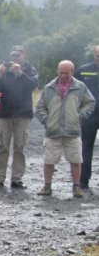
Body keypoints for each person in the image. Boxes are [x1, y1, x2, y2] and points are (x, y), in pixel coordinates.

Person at [34, 60, 95, 197]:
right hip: (53, 131)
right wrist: (47, 120)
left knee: (76, 160)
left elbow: (90, 103)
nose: (63, 75)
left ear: (72, 72)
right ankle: (47, 186)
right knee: (49, 160)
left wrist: (79, 117)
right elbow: (39, 108)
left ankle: (76, 187)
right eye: (61, 72)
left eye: (66, 73)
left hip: (72, 131)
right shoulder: (49, 88)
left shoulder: (80, 87)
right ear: (57, 71)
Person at [0, 47, 38, 189]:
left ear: (23, 55)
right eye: (12, 55)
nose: (15, 58)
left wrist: (20, 73)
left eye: (18, 55)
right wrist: (0, 74)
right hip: (5, 114)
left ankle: (17, 178)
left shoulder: (30, 69)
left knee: (20, 146)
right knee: (2, 146)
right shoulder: (6, 68)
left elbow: (32, 85)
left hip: (23, 114)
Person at [74, 45, 99, 191]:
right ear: (94, 55)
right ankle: (83, 182)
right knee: (85, 148)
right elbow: (72, 87)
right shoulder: (83, 70)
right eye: (98, 56)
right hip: (89, 115)